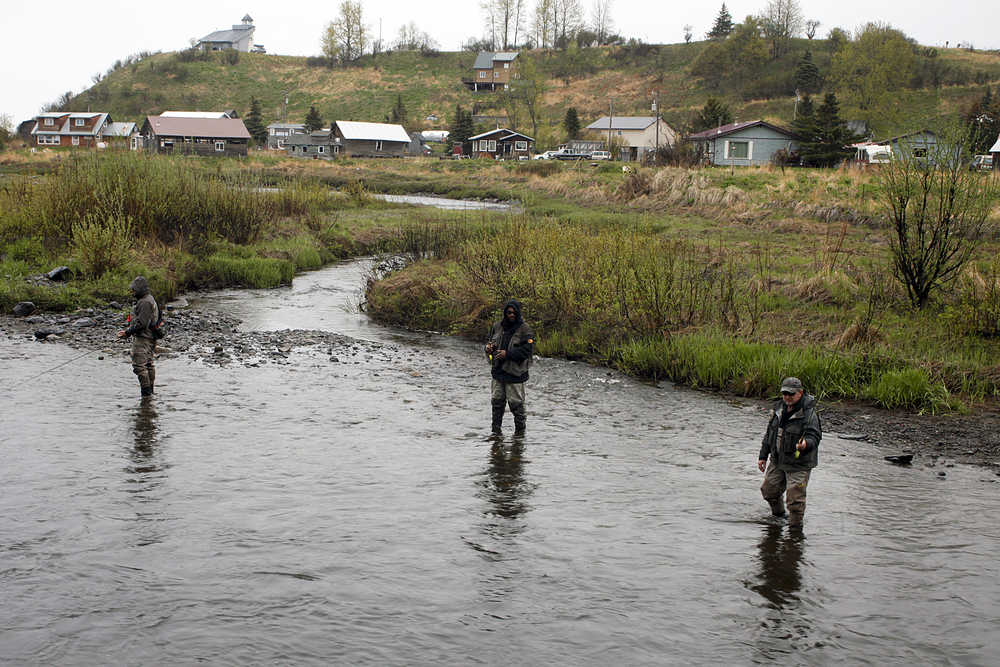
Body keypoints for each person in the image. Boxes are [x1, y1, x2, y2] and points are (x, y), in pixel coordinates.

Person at [757, 377, 821, 529]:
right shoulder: (778, 408)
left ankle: (795, 531)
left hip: (799, 463)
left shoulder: (809, 413)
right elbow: (769, 435)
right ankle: (779, 518)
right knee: (768, 491)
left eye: (791, 394)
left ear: (800, 393)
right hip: (778, 460)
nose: (787, 396)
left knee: (795, 501)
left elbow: (815, 436)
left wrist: (805, 444)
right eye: (784, 393)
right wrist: (763, 456)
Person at [485, 299, 535, 436]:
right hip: (498, 372)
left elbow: (527, 351)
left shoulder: (526, 330)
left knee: (516, 406)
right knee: (496, 403)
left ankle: (519, 436)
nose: (510, 315)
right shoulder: (497, 327)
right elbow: (489, 343)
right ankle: (495, 434)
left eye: (513, 312)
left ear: (518, 313)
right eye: (508, 312)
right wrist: (489, 349)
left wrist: (508, 354)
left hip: (515, 374)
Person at [117, 276, 159, 397]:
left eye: (134, 290)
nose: (132, 292)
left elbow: (142, 323)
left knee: (139, 366)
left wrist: (127, 333)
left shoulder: (145, 302)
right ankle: (150, 395)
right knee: (148, 364)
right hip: (150, 337)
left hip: (144, 339)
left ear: (140, 289)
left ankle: (146, 396)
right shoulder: (149, 299)